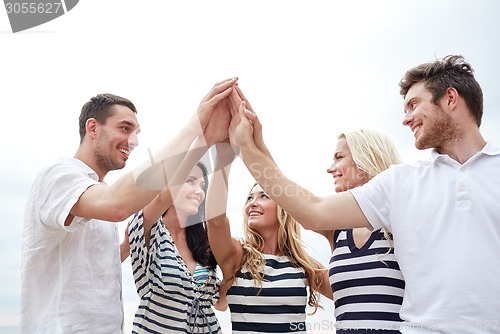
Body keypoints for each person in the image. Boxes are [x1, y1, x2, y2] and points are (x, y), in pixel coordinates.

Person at [228, 55, 500, 333]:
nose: (405, 119)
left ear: (450, 98)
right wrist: (248, 146)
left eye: (414, 104)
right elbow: (311, 209)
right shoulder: (400, 183)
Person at [20, 77, 237, 334]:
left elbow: (95, 258)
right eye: (125, 129)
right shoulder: (60, 175)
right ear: (92, 128)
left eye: (136, 133)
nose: (133, 141)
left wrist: (207, 140)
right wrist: (195, 129)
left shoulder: (96, 194)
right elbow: (119, 206)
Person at [206, 143, 333, 334]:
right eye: (250, 198)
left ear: (284, 206)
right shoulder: (238, 256)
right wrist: (223, 161)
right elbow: (215, 221)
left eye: (263, 196)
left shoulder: (303, 264)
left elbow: (349, 292)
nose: (253, 204)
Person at [128, 157, 222, 333]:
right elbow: (156, 203)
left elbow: (219, 302)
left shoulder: (203, 241)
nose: (198, 191)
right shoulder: (152, 231)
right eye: (189, 181)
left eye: (202, 185)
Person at [324, 129, 405, 333]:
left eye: (339, 157)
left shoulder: (403, 221)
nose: (330, 168)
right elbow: (290, 206)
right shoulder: (337, 230)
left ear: (366, 159)